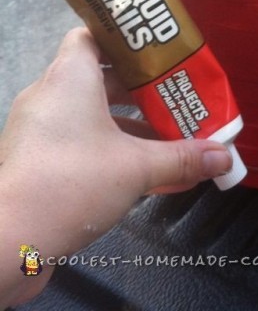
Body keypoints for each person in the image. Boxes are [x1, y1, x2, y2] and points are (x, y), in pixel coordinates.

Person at [0, 27, 233, 309]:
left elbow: (29, 274)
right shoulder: (29, 257)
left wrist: (25, 239)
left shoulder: (29, 258)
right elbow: (29, 274)